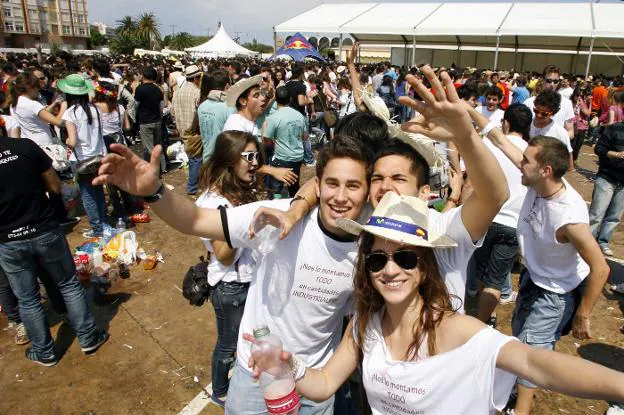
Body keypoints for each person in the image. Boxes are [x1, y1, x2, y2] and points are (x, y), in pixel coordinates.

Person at [253, 192, 624, 415]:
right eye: (377, 259)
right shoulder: (367, 322)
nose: (390, 270)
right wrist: (291, 368)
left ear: (426, 266)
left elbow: (534, 362)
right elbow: (322, 384)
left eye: (406, 258)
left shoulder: (454, 328)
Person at [483, 133, 610, 415]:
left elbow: (601, 267)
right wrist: (470, 115)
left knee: (533, 353)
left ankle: (522, 410)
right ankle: (519, 389)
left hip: (555, 293)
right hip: (533, 278)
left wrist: (584, 313)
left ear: (546, 170)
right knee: (519, 335)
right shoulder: (538, 182)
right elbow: (504, 144)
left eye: (526, 160)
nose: (520, 164)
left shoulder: (569, 217)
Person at [0, 134, 108, 367]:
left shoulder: (25, 146)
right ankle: (88, 337)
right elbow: (55, 185)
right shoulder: (24, 147)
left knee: (27, 299)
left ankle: (44, 351)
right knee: (68, 284)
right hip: (44, 229)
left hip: (9, 240)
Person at [195, 131, 261, 408]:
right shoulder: (214, 204)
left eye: (257, 156)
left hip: (249, 279)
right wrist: (247, 221)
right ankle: (220, 390)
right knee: (228, 344)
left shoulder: (238, 192)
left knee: (252, 336)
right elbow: (223, 255)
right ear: (229, 160)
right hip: (230, 286)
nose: (255, 163)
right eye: (248, 157)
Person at [466, 104, 532, 326]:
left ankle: (486, 317)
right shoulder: (532, 152)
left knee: (483, 274)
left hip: (487, 217)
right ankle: (486, 320)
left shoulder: (489, 145)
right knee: (496, 279)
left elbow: (472, 179)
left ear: (506, 122)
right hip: (514, 223)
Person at [59, 74, 108, 238]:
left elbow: (72, 141)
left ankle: (97, 228)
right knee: (99, 191)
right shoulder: (95, 109)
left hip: (82, 160)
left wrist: (66, 140)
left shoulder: (70, 113)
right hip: (99, 156)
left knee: (88, 196)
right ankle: (103, 222)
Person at [93, 80, 136, 220]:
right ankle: (131, 206)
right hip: (120, 144)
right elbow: (127, 127)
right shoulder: (120, 108)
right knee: (123, 177)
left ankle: (119, 212)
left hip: (105, 147)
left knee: (110, 182)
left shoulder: (95, 108)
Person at [588, 90, 624, 257]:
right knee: (597, 213)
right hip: (607, 177)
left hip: (623, 183)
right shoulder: (614, 129)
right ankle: (587, 242)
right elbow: (599, 149)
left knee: (614, 216)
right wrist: (616, 154)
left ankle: (603, 241)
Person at [263, 86, 306, 198]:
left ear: (276, 100)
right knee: (293, 183)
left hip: (281, 158)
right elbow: (305, 136)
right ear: (290, 99)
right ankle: (294, 203)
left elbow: (266, 139)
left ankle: (275, 204)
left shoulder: (274, 117)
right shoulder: (299, 115)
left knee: (274, 187)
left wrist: (273, 144)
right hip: (297, 156)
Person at [8, 71, 64, 147]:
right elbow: (58, 122)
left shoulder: (14, 104)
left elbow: (37, 115)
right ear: (29, 87)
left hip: (28, 144)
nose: (38, 90)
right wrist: (64, 105)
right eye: (37, 87)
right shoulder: (33, 105)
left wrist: (54, 104)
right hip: (44, 144)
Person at [172, 65, 202, 195]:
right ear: (196, 78)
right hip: (194, 131)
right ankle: (192, 187)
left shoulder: (177, 91)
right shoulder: (197, 92)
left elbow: (173, 112)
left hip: (182, 130)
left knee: (191, 158)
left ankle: (194, 183)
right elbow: (200, 113)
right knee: (196, 159)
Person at [523, 65, 574, 139]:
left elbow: (570, 132)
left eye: (556, 81)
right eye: (549, 81)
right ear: (542, 80)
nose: (552, 85)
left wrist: (555, 143)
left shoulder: (567, 103)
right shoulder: (529, 102)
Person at [529, 90, 574, 170]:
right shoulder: (526, 125)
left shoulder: (560, 133)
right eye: (536, 110)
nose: (539, 115)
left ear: (553, 113)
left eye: (544, 114)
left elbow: (569, 165)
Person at [135, 66, 166, 174]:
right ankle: (163, 167)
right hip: (157, 120)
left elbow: (136, 105)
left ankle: (153, 169)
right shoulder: (158, 89)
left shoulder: (140, 89)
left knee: (149, 148)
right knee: (158, 145)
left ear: (143, 76)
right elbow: (161, 106)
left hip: (145, 121)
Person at [197, 70, 232, 161]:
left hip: (206, 157)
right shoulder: (229, 108)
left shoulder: (202, 106)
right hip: (222, 160)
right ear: (227, 85)